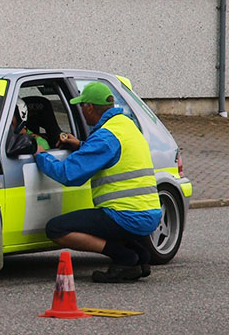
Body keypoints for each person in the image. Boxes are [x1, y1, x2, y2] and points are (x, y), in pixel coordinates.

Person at [33, 81, 161, 283]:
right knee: (103, 223)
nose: (81, 111)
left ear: (89, 107)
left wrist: (41, 156)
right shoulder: (126, 125)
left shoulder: (105, 137)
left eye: (82, 106)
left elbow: (69, 174)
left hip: (124, 216)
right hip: (150, 213)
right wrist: (81, 145)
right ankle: (140, 257)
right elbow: (108, 152)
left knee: (56, 229)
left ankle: (124, 257)